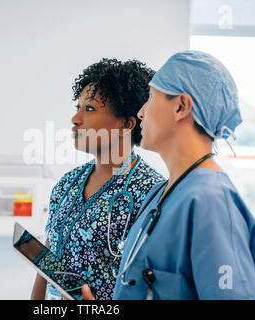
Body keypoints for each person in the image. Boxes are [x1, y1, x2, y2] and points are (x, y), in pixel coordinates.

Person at [79, 50, 255, 300]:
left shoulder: (211, 201)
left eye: (151, 97)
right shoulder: (163, 193)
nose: (141, 112)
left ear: (180, 107)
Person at [30, 58, 164, 300]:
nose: (75, 118)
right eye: (78, 107)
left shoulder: (151, 193)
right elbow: (47, 261)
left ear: (126, 123)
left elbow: (153, 285)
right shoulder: (67, 184)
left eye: (89, 109)